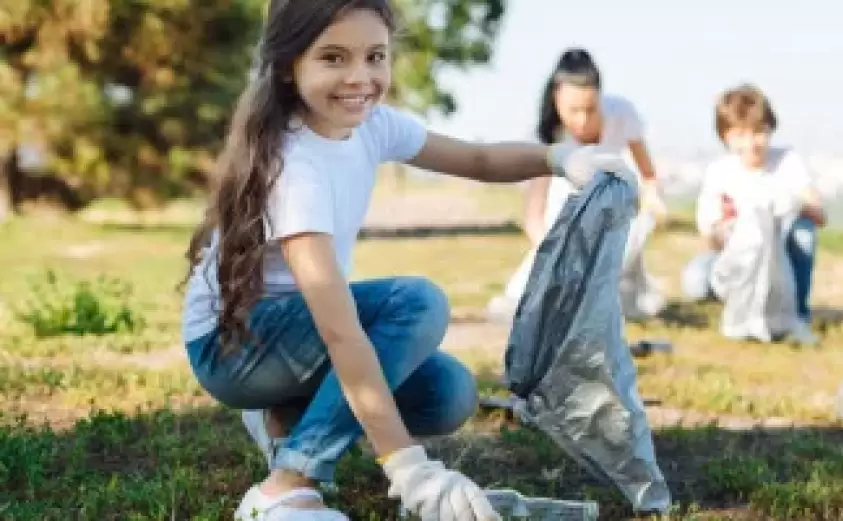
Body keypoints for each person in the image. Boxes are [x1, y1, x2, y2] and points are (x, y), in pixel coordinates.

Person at [179, 1, 634, 520]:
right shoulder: (296, 166)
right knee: (416, 304)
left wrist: (558, 159)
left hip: (290, 339)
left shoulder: (372, 126)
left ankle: (286, 412)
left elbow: (480, 160)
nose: (360, 77)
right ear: (289, 66)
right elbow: (341, 333)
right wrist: (408, 468)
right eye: (333, 58)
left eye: (375, 56)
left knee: (449, 393)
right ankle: (287, 485)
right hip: (233, 349)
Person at [487, 48, 668, 322]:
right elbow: (534, 218)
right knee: (521, 305)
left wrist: (653, 200)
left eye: (590, 109)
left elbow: (648, 176)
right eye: (573, 111)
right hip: (564, 238)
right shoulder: (547, 139)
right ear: (556, 98)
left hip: (613, 228)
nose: (582, 120)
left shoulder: (622, 113)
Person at [680, 83, 825, 338]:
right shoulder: (719, 173)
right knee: (695, 281)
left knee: (804, 233)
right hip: (736, 258)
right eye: (741, 135)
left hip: (781, 256)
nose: (752, 143)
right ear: (726, 136)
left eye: (759, 132)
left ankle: (797, 314)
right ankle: (740, 304)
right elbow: (709, 238)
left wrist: (797, 204)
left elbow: (819, 214)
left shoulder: (787, 162)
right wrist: (725, 229)